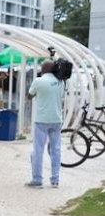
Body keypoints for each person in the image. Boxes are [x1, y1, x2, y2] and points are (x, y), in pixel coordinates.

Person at [25, 60, 65, 188]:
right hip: (57, 119)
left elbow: (29, 96)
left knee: (38, 150)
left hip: (42, 120)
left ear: (43, 69)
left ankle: (37, 179)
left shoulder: (38, 81)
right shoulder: (61, 81)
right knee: (56, 150)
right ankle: (55, 179)